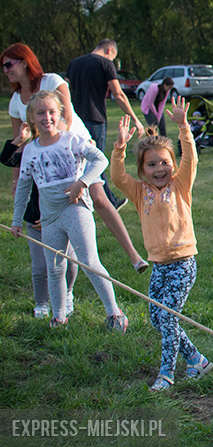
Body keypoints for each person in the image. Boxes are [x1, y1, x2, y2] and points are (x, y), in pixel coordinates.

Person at [2, 43, 148, 275]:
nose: (6, 69)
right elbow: (18, 144)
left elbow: (67, 116)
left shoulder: (51, 81)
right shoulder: (15, 101)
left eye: (9, 64)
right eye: (3, 66)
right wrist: (16, 180)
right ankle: (69, 271)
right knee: (61, 207)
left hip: (75, 145)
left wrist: (60, 148)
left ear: (25, 61)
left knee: (99, 198)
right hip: (47, 158)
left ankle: (134, 255)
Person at [111, 97, 213, 392]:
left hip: (183, 263)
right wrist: (119, 148)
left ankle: (166, 374)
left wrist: (183, 127)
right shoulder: (139, 191)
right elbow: (117, 177)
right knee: (158, 319)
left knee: (168, 318)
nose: (160, 169)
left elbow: (190, 158)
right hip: (158, 265)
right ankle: (197, 360)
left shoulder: (180, 186)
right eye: (152, 164)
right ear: (143, 170)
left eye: (165, 163)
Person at [11, 90, 129, 332]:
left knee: (89, 261)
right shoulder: (30, 151)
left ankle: (115, 313)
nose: (47, 117)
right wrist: (16, 220)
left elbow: (100, 160)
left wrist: (82, 182)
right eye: (40, 113)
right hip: (50, 217)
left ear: (59, 114)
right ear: (32, 118)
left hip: (76, 209)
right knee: (55, 267)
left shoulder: (71, 140)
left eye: (52, 112)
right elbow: (23, 187)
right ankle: (59, 316)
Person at [1, 126, 78, 318]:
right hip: (35, 218)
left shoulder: (66, 152)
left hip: (61, 215)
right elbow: (7, 159)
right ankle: (42, 303)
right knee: (40, 266)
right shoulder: (32, 153)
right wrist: (20, 138)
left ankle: (67, 294)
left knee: (69, 262)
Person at [66, 38, 144, 209]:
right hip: (95, 119)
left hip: (74, 120)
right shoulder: (105, 64)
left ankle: (90, 198)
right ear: (109, 50)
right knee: (96, 161)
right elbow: (119, 94)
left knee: (77, 162)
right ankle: (109, 201)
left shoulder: (74, 63)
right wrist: (135, 119)